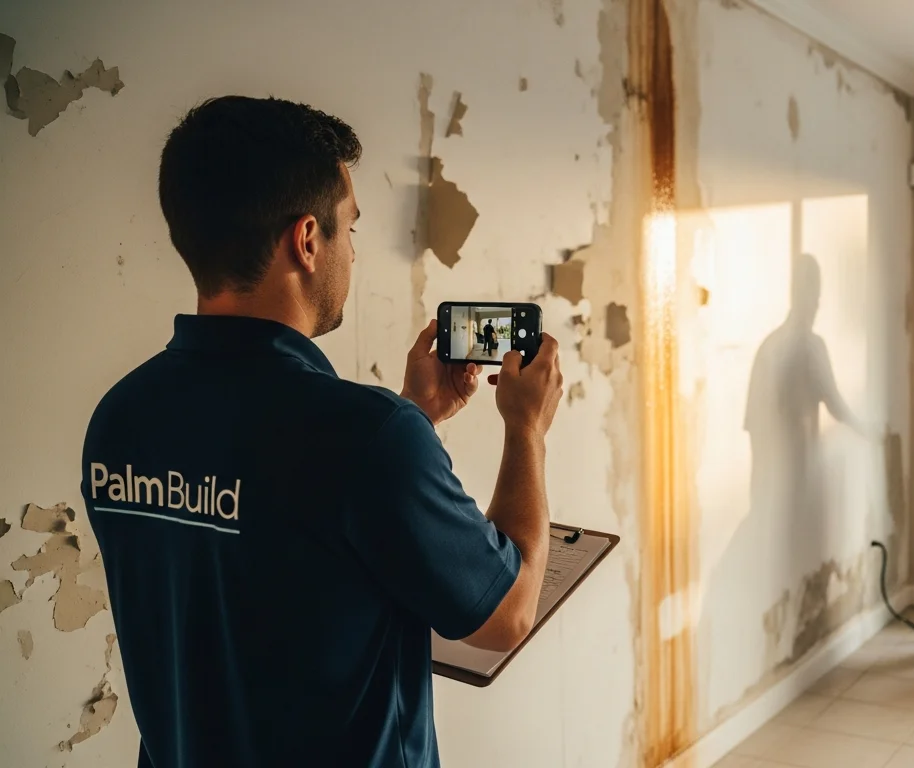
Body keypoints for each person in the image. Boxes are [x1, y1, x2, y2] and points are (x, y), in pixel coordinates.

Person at [81, 96, 564, 767]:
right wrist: (526, 427)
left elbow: (266, 564)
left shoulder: (120, 418)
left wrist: (415, 413)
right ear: (307, 241)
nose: (354, 256)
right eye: (351, 230)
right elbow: (506, 615)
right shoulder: (367, 438)